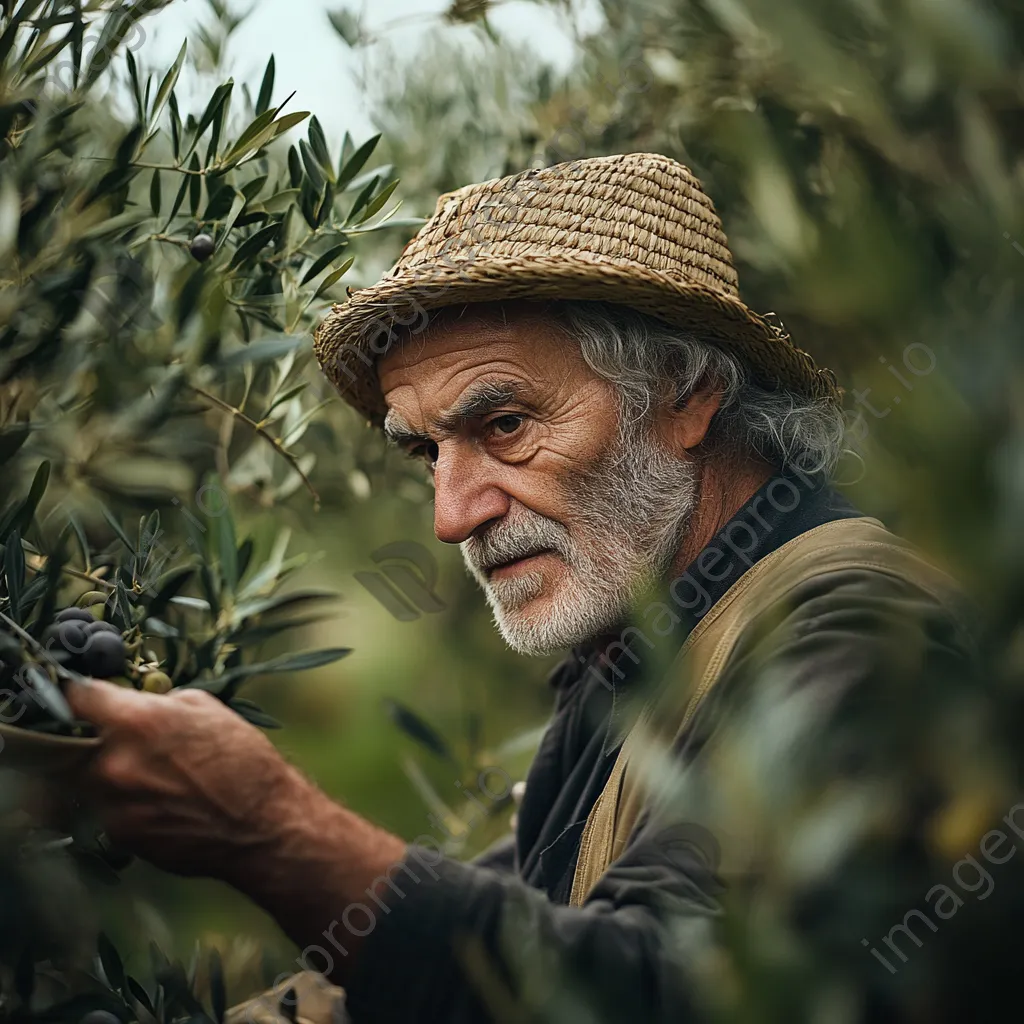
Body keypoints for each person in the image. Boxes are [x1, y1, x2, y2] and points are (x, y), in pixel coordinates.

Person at [66, 153, 972, 1023]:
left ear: (686, 394)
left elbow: (677, 993)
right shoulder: (644, 656)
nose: (451, 517)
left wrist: (270, 829)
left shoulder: (859, 621)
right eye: (427, 451)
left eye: (503, 424)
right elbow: (529, 908)